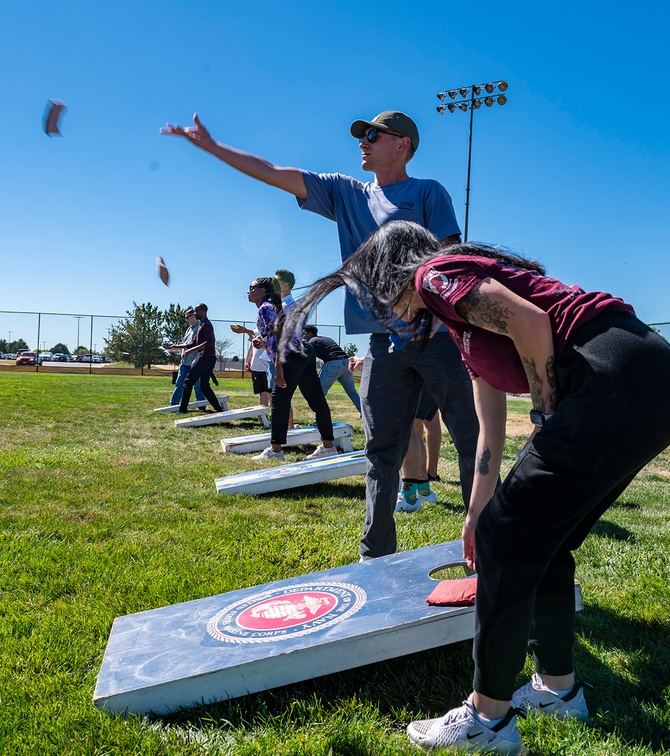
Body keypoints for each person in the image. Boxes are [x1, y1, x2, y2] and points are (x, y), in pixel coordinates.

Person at [279, 220, 670, 754]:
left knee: (512, 538)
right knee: (543, 536)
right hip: (652, 382)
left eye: (375, 294)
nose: (379, 309)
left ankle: (487, 720)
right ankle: (558, 690)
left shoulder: (435, 275)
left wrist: (544, 414)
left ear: (390, 274)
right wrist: (477, 513)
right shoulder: (462, 325)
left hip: (617, 374)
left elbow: (531, 321)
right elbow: (487, 435)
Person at [162, 110, 481, 560]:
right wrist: (214, 149)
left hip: (436, 338)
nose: (362, 142)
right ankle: (375, 559)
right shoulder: (346, 192)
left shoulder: (428, 192)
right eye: (361, 135)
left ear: (403, 144)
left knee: (471, 440)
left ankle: (489, 551)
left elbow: (451, 262)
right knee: (380, 453)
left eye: (373, 135)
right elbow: (274, 173)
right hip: (382, 345)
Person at [247, 278, 335, 462]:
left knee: (279, 401)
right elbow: (274, 338)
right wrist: (262, 344)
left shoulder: (265, 308)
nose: (248, 291)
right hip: (304, 351)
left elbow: (281, 336)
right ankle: (329, 446)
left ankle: (276, 450)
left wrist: (279, 367)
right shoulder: (271, 308)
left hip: (291, 355)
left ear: (262, 291)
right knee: (316, 400)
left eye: (252, 288)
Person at [170, 303, 225, 414]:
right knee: (204, 385)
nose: (194, 313)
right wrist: (176, 346)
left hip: (205, 357)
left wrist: (190, 351)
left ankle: (182, 409)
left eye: (196, 311)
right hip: (208, 358)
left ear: (203, 312)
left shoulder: (206, 325)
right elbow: (193, 343)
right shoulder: (202, 325)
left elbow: (208, 343)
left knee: (187, 382)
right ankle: (219, 409)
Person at [301, 325, 360, 413]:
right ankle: (367, 416)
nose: (302, 336)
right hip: (346, 363)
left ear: (310, 333)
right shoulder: (324, 339)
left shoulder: (311, 341)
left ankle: (318, 422)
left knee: (319, 394)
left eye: (303, 334)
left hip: (333, 364)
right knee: (353, 393)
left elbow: (306, 358)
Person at [168, 308, 204, 407]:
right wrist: (173, 347)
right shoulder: (189, 329)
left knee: (198, 386)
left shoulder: (200, 328)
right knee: (179, 384)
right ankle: (173, 404)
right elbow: (185, 345)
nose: (186, 320)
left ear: (193, 316)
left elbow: (198, 345)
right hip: (184, 363)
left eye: (187, 317)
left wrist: (196, 358)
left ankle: (201, 406)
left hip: (195, 363)